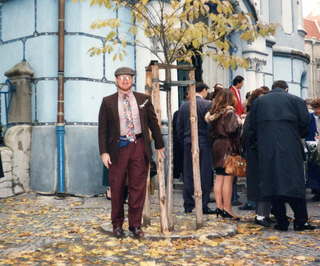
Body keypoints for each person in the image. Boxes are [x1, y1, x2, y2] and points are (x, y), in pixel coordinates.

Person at [98, 67, 165, 238]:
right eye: (121, 77)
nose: (125, 80)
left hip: (139, 146)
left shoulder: (144, 99)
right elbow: (102, 130)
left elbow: (153, 123)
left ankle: (135, 225)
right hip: (117, 150)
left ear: (132, 80)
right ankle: (117, 225)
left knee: (138, 188)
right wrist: (103, 152)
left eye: (128, 77)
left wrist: (159, 145)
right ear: (116, 80)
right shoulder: (108, 102)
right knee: (117, 188)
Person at [249, 80, 315, 231]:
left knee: (273, 185)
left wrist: (257, 145)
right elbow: (305, 124)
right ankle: (301, 221)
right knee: (295, 184)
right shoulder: (296, 100)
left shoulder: (259, 102)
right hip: (291, 147)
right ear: (286, 89)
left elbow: (252, 127)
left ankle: (282, 221)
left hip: (267, 149)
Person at [177, 82, 214, 214]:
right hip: (204, 142)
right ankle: (203, 203)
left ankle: (188, 203)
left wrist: (184, 140)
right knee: (204, 173)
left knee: (188, 173)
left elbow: (179, 127)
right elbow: (211, 126)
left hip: (188, 142)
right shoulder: (208, 104)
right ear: (203, 90)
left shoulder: (183, 105)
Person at [205, 89, 241, 220]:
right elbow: (231, 129)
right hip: (227, 145)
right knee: (228, 178)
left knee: (219, 177)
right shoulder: (229, 112)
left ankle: (219, 207)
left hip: (217, 145)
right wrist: (239, 123)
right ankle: (227, 208)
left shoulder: (214, 113)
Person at [241, 88, 274, 227]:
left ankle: (265, 214)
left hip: (262, 153)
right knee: (261, 185)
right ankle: (260, 215)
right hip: (257, 154)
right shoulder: (254, 114)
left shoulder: (261, 113)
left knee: (266, 185)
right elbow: (247, 135)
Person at [230, 76, 245, 206]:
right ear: (238, 82)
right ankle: (232, 196)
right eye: (242, 82)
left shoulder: (238, 92)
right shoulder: (231, 91)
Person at [305, 98, 320, 202]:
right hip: (312, 145)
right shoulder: (309, 118)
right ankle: (316, 190)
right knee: (313, 167)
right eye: (315, 108)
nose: (317, 111)